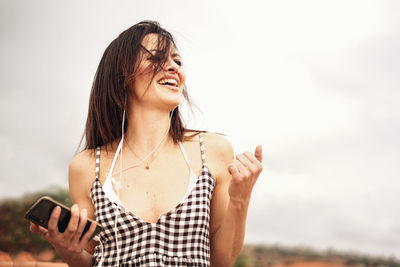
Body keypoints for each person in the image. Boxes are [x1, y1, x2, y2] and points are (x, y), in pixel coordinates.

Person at [30, 20, 263, 266]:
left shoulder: (213, 151)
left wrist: (240, 199)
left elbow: (221, 260)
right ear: (122, 76)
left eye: (177, 61)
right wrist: (68, 250)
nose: (173, 68)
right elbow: (89, 259)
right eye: (155, 59)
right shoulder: (86, 166)